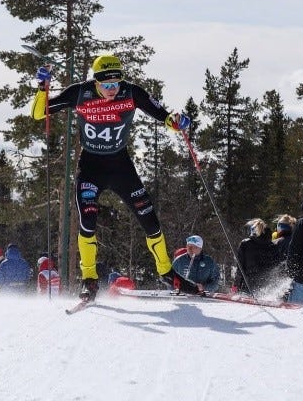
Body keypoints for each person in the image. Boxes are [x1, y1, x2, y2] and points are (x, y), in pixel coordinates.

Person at [31, 55, 190, 301]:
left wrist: (177, 122)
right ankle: (90, 280)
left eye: (116, 83)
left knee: (150, 220)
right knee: (88, 221)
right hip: (91, 168)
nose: (112, 90)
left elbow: (164, 116)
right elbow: (40, 113)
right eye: (106, 85)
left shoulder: (131, 92)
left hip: (120, 167)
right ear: (96, 82)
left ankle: (167, 272)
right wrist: (42, 88)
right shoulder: (80, 93)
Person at [232, 218, 281, 295]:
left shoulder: (245, 244)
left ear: (252, 230)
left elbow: (240, 268)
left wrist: (235, 286)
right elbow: (276, 266)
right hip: (267, 288)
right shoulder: (273, 246)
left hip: (248, 286)